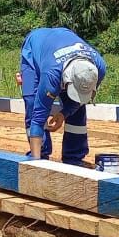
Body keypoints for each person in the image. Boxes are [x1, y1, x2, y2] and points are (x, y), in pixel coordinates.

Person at [19, 27, 106, 166]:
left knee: (77, 104)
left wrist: (64, 114)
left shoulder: (99, 68)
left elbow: (79, 100)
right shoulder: (52, 75)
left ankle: (74, 157)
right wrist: (36, 166)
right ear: (67, 79)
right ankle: (39, 153)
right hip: (34, 47)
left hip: (63, 38)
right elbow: (38, 117)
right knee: (32, 102)